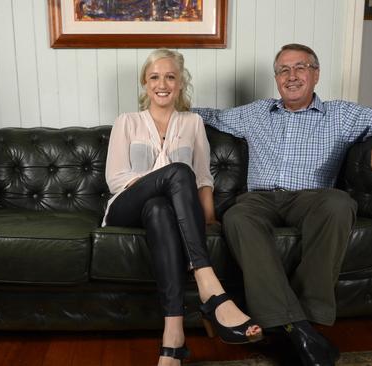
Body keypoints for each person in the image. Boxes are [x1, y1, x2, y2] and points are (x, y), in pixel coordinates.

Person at [193, 43, 372, 366]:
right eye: (283, 70)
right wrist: (162, 112)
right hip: (259, 199)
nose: (291, 76)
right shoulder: (255, 112)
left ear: (315, 74)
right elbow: (207, 116)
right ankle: (299, 327)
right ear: (276, 79)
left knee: (339, 203)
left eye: (300, 67)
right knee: (236, 217)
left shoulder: (341, 114)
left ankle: (300, 317)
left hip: (312, 198)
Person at [104, 48, 263, 366]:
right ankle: (209, 286)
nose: (162, 83)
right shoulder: (127, 121)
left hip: (159, 213)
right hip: (125, 209)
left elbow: (204, 178)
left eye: (170, 76)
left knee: (161, 209)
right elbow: (116, 178)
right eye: (154, 77)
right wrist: (162, 179)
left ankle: (173, 340)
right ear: (145, 83)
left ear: (180, 84)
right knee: (178, 173)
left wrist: (208, 215)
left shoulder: (193, 123)